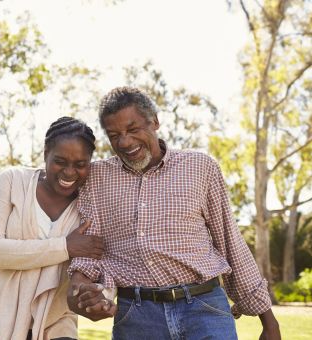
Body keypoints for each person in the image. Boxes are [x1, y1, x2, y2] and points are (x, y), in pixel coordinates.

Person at [66, 87, 281, 339]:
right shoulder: (97, 177)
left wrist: (269, 321)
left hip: (205, 309)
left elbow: (230, 241)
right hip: (135, 317)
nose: (124, 142)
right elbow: (89, 250)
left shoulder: (201, 167)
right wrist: (80, 290)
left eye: (133, 129)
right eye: (114, 135)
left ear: (155, 122)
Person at [0, 117, 105, 340]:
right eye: (60, 161)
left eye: (80, 164)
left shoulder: (90, 205)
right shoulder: (12, 181)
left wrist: (102, 295)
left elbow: (96, 260)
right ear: (45, 155)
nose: (69, 172)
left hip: (56, 321)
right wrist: (65, 247)